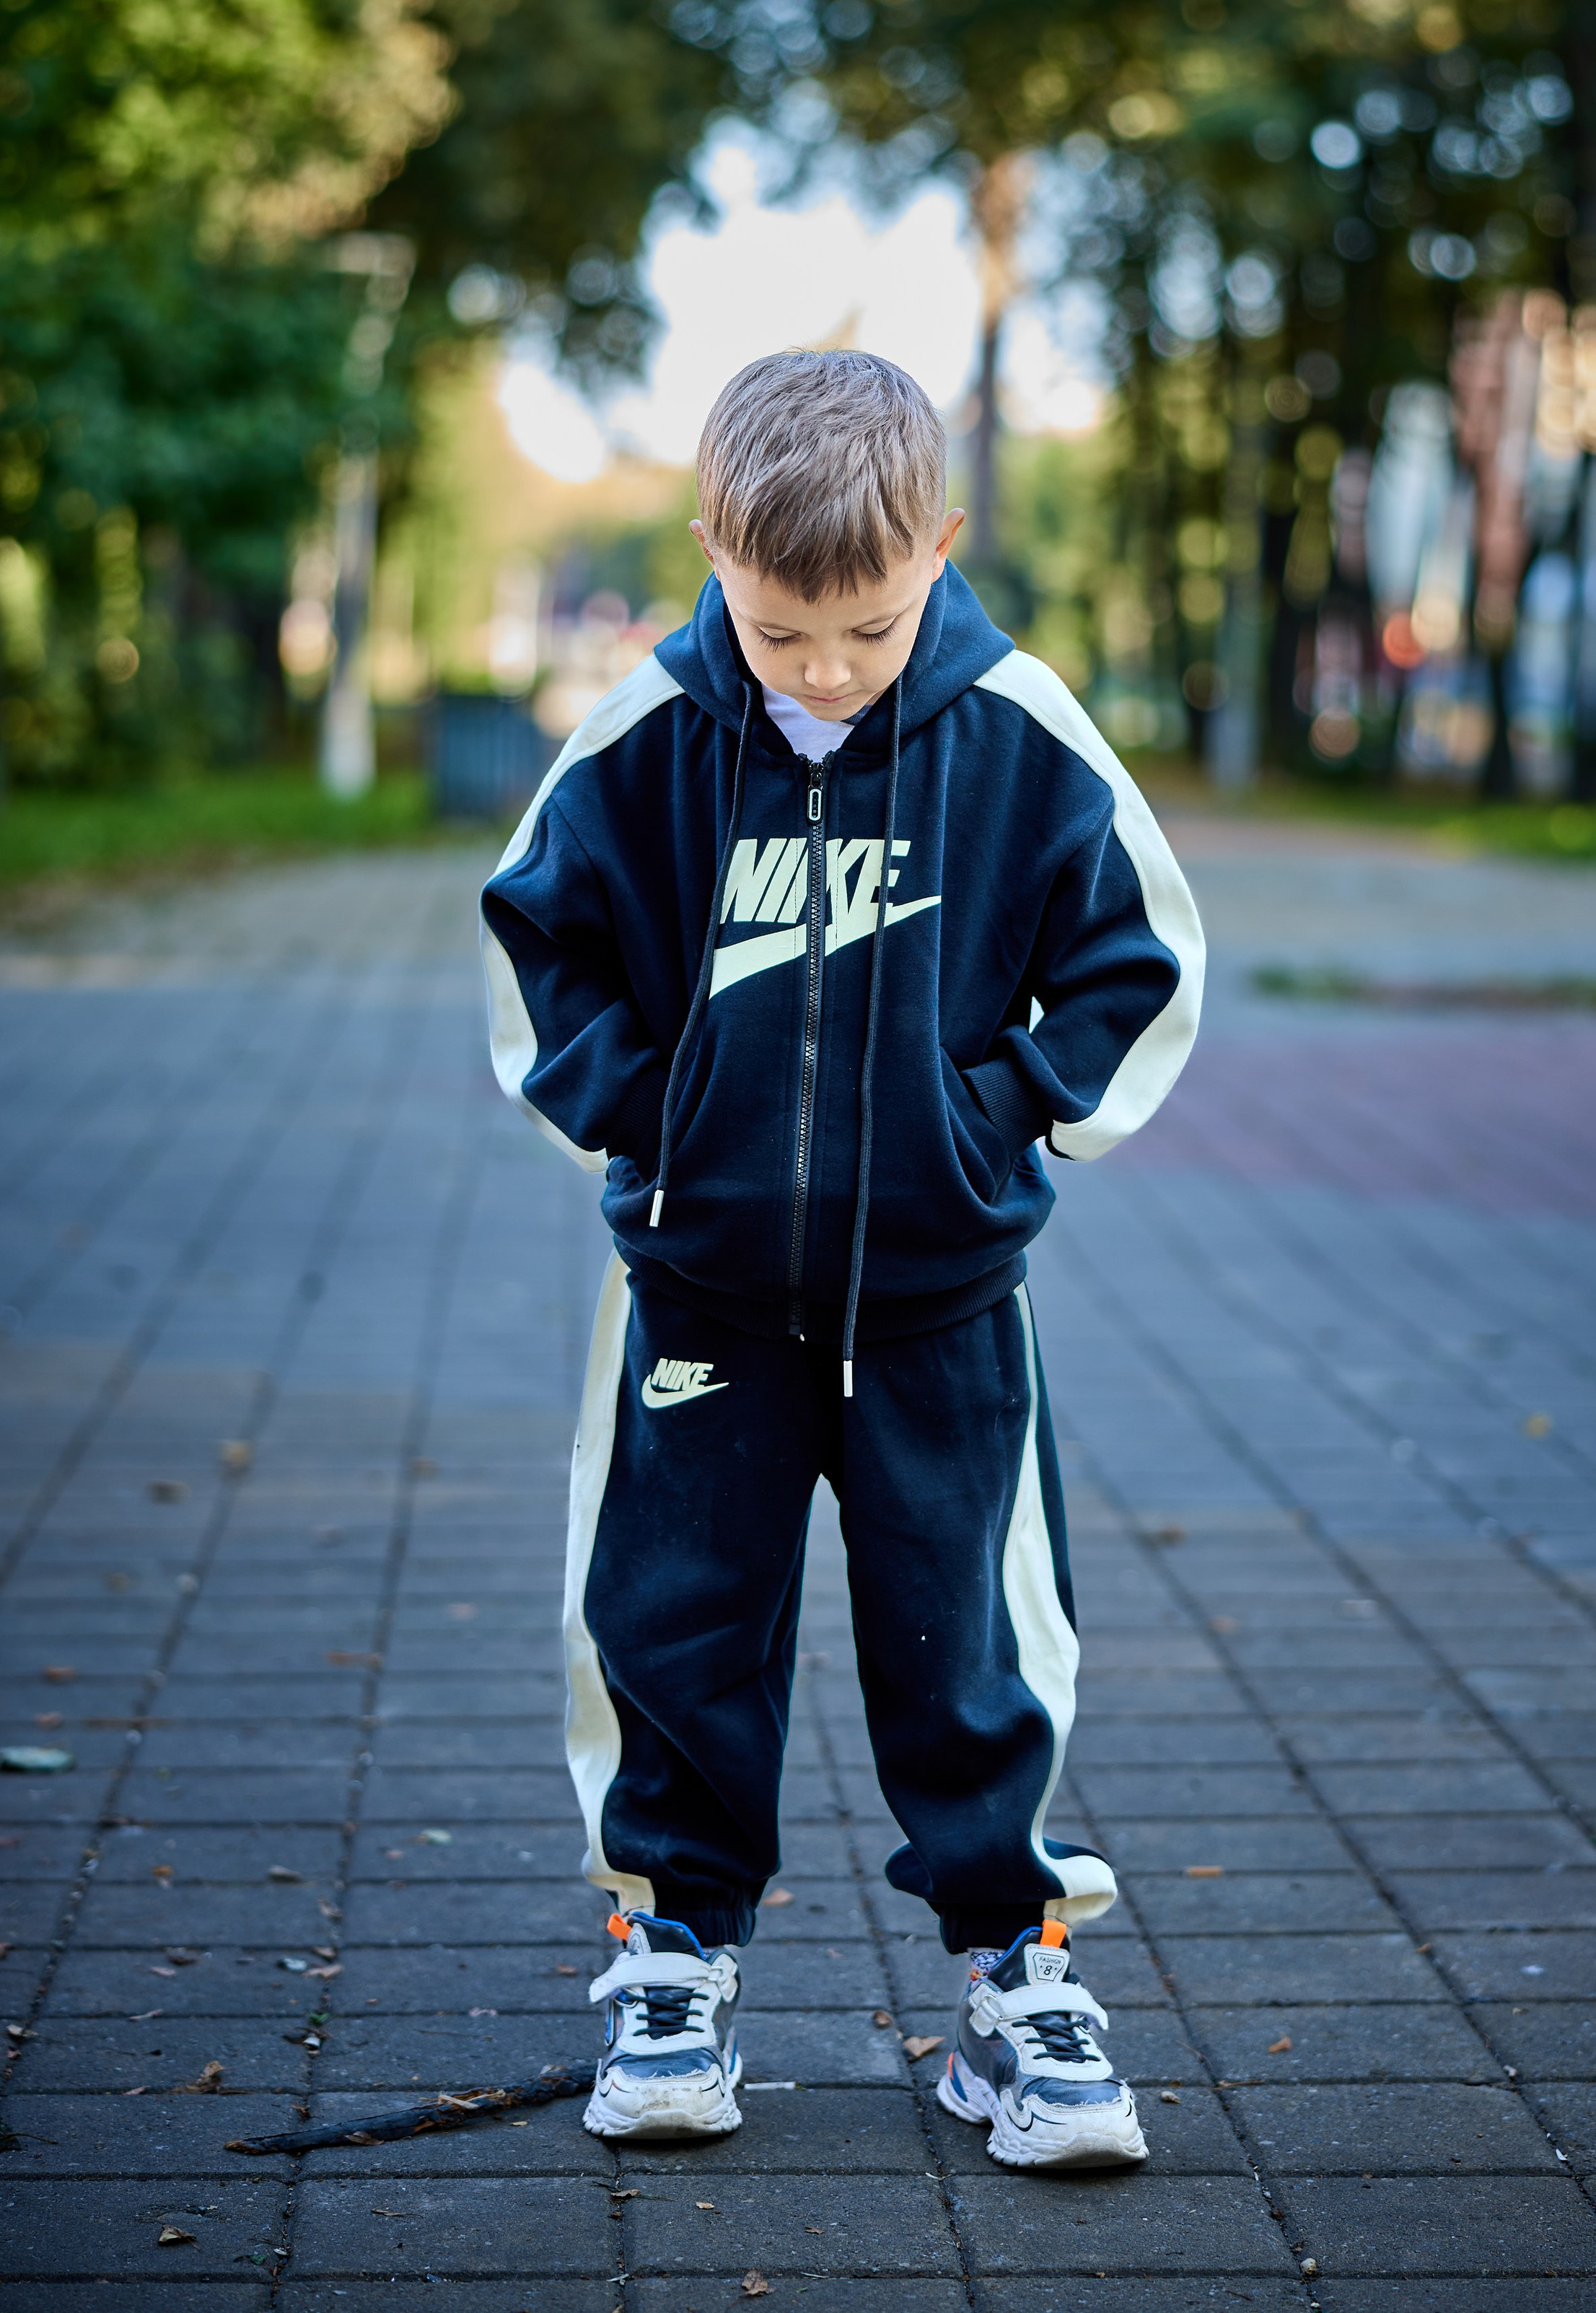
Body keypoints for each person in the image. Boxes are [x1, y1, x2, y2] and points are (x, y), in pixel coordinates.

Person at [481, 349, 1203, 2171]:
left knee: (972, 1636)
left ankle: (1017, 1978)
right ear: (712, 543)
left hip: (944, 1297)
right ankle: (671, 1950)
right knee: (669, 1624)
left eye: (865, 630)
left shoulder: (1014, 724)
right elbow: (534, 952)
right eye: (778, 626)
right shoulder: (643, 730)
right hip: (701, 1292)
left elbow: (1143, 959)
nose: (819, 669)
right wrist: (654, 1121)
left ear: (937, 548)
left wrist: (1001, 1118)